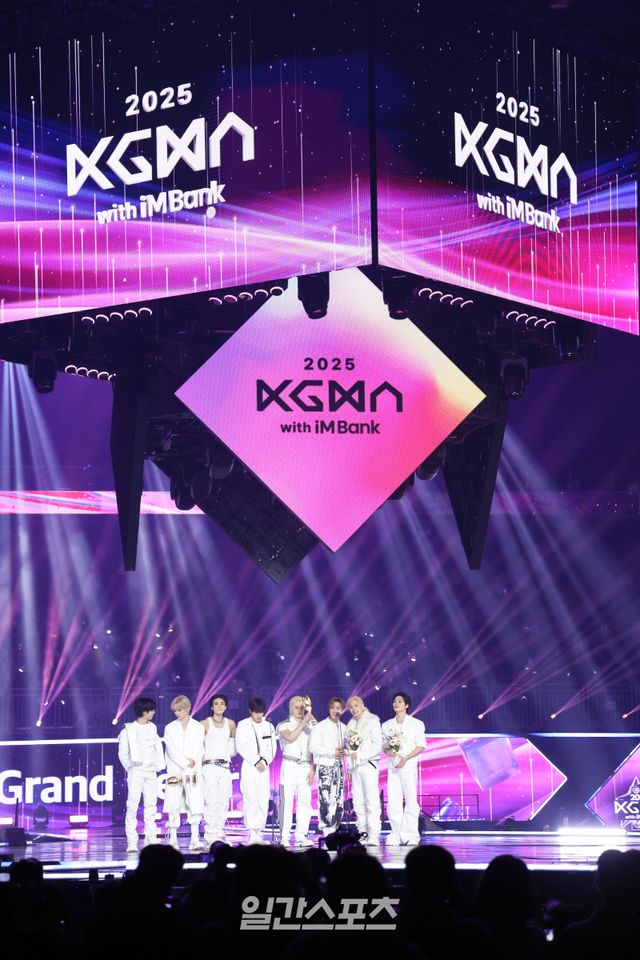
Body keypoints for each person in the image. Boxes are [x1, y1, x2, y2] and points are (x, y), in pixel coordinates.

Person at [118, 696, 165, 853]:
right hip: (136, 771)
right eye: (152, 710)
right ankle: (132, 841)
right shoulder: (128, 730)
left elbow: (156, 747)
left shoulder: (152, 728)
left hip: (150, 771)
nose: (154, 713)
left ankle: (151, 837)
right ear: (145, 711)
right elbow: (123, 753)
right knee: (132, 805)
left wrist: (157, 765)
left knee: (151, 805)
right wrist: (131, 767)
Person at [381, 691, 426, 846]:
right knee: (393, 801)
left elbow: (421, 745)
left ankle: (411, 835)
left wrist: (406, 757)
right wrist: (389, 752)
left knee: (411, 800)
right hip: (393, 767)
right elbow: (384, 746)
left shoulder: (416, 724)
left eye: (400, 701)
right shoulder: (387, 725)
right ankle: (396, 834)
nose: (396, 703)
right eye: (394, 701)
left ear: (406, 705)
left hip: (408, 766)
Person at [163, 694, 205, 851]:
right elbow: (171, 749)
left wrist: (191, 761)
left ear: (187, 709)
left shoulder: (198, 727)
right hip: (174, 770)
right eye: (175, 710)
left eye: (179, 710)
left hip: (192, 770)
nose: (177, 713)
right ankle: (173, 837)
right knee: (173, 800)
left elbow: (199, 747)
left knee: (194, 800)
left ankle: (195, 838)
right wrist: (184, 761)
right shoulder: (169, 727)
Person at [235, 697, 278, 844]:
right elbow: (241, 746)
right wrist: (255, 761)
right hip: (249, 766)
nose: (259, 715)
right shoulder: (243, 725)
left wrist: (264, 762)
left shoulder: (269, 726)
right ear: (250, 711)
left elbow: (272, 747)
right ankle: (252, 831)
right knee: (250, 797)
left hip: (264, 768)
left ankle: (259, 830)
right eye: (256, 712)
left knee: (263, 798)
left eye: (261, 712)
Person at [277, 695, 316, 847]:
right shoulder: (283, 724)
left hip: (306, 766)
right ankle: (284, 836)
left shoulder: (311, 725)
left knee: (305, 802)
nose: (300, 710)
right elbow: (291, 737)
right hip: (289, 765)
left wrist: (313, 768)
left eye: (302, 707)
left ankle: (301, 836)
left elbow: (315, 747)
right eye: (296, 707)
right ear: (291, 708)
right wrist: (304, 722)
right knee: (286, 802)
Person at [345, 695, 382, 845]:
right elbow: (348, 747)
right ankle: (363, 832)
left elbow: (377, 745)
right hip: (355, 767)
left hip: (368, 764)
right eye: (351, 707)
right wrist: (350, 762)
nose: (354, 709)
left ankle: (374, 835)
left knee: (371, 801)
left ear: (362, 705)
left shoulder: (373, 721)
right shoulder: (350, 725)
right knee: (358, 802)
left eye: (356, 705)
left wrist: (360, 755)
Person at [201, 693, 237, 846]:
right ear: (211, 707)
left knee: (223, 801)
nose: (219, 706)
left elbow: (233, 748)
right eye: (216, 703)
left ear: (226, 706)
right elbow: (198, 745)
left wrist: (226, 755)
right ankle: (210, 834)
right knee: (211, 800)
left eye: (222, 703)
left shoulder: (231, 724)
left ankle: (220, 831)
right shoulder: (205, 723)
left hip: (224, 767)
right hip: (209, 766)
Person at [309, 696, 347, 836]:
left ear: (342, 710)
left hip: (339, 767)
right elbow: (313, 747)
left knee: (338, 798)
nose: (335, 711)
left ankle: (335, 827)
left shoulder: (344, 728)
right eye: (332, 708)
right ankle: (326, 828)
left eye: (338, 708)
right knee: (325, 798)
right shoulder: (320, 727)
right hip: (325, 766)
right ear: (328, 709)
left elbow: (347, 748)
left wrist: (345, 752)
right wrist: (332, 751)